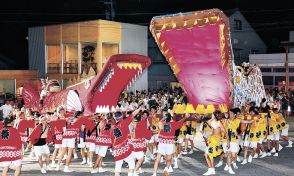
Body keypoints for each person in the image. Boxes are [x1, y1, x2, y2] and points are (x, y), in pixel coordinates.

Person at [152, 111, 187, 176]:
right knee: (169, 159)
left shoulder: (161, 123)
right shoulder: (174, 124)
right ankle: (167, 168)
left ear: (165, 118)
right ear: (170, 118)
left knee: (157, 159)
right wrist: (185, 117)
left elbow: (159, 123)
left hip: (162, 143)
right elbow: (180, 122)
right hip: (170, 144)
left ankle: (154, 174)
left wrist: (163, 118)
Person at [110, 107, 141, 176]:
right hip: (123, 147)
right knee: (131, 163)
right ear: (121, 117)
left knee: (118, 166)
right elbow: (132, 114)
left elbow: (112, 140)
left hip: (116, 149)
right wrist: (139, 108)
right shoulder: (123, 123)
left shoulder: (112, 128)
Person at [202, 110, 229, 176]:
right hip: (213, 140)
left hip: (216, 141)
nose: (212, 115)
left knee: (207, 155)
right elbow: (207, 121)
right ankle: (212, 170)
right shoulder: (213, 121)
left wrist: (228, 142)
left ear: (215, 115)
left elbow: (225, 133)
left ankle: (210, 170)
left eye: (213, 114)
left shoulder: (219, 123)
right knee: (209, 155)